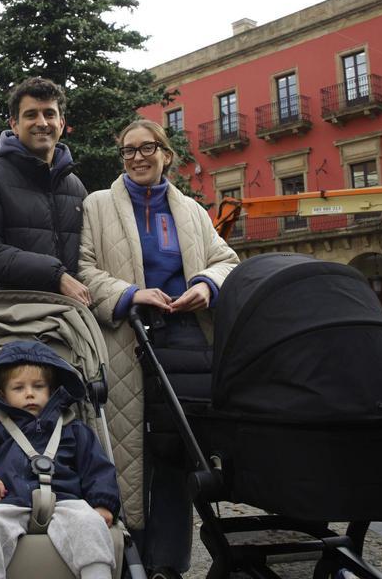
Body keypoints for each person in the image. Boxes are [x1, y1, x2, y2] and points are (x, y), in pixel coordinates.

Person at [78, 119, 239, 579]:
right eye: (127, 151)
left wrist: (207, 285)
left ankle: (167, 564)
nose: (137, 158)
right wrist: (131, 293)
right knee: (124, 454)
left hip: (186, 342)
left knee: (176, 455)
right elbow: (83, 269)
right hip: (126, 339)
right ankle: (126, 559)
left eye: (147, 148)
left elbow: (226, 260)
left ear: (166, 153)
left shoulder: (191, 210)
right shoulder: (98, 205)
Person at [0, 341, 120, 579]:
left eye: (38, 386)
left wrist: (102, 503)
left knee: (89, 522)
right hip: (7, 501)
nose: (29, 393)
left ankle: (97, 575)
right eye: (18, 388)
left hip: (65, 501)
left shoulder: (74, 429)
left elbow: (98, 468)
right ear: (2, 394)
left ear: (51, 390)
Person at [0, 76, 91, 305]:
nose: (42, 122)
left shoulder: (75, 187)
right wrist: (55, 275)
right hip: (7, 319)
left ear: (61, 123)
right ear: (14, 125)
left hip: (70, 321)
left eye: (49, 114)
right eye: (31, 115)